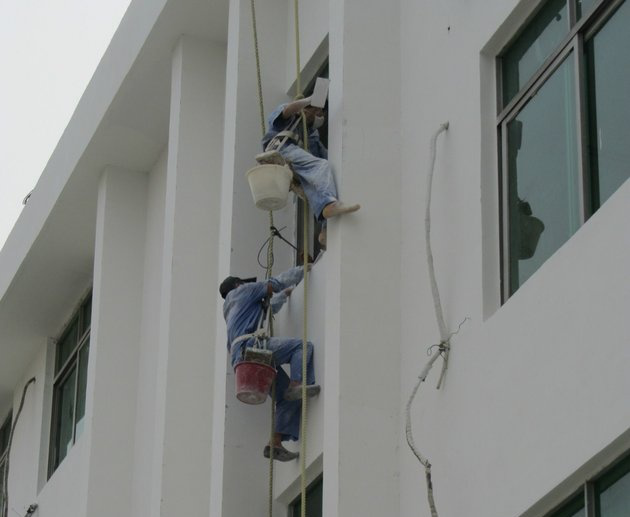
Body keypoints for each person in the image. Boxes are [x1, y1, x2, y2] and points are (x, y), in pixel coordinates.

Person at [220, 266, 320, 461]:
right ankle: (297, 384)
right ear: (238, 285)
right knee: (302, 347)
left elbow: (268, 307)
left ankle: (275, 442)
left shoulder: (232, 311)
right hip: (251, 347)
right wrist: (305, 270)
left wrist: (285, 295)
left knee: (284, 398)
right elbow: (275, 283)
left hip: (241, 361)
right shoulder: (244, 291)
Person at [261, 97, 360, 244]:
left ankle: (325, 228)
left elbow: (322, 156)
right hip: (282, 150)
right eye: (318, 111)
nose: (321, 116)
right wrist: (310, 100)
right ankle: (328, 204)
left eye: (322, 113)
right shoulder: (294, 117)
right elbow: (287, 110)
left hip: (295, 163)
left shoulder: (311, 134)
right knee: (321, 166)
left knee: (316, 181)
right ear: (307, 109)